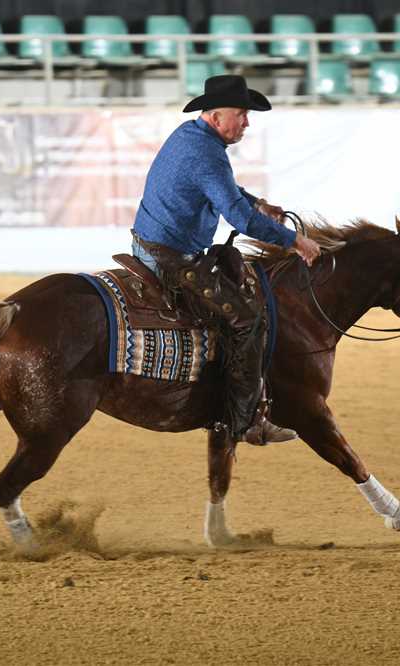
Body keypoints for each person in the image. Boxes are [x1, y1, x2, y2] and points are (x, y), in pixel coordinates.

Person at [131, 75, 321, 444]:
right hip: (169, 257)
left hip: (156, 246)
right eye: (241, 114)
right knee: (247, 320)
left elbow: (225, 191)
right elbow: (240, 219)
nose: (247, 122)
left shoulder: (191, 136)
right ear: (217, 117)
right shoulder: (206, 153)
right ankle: (246, 421)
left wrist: (257, 203)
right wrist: (295, 241)